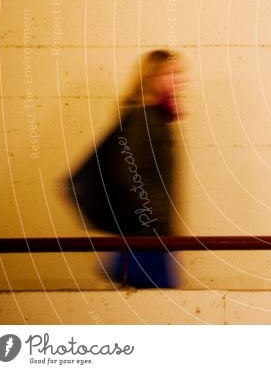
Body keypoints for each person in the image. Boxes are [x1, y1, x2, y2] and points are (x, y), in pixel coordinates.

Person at [72, 50, 186, 288]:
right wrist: (152, 218)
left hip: (152, 233)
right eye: (171, 74)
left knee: (155, 305)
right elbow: (127, 172)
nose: (179, 80)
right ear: (152, 77)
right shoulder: (143, 118)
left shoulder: (155, 118)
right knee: (159, 306)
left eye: (179, 74)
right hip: (149, 234)